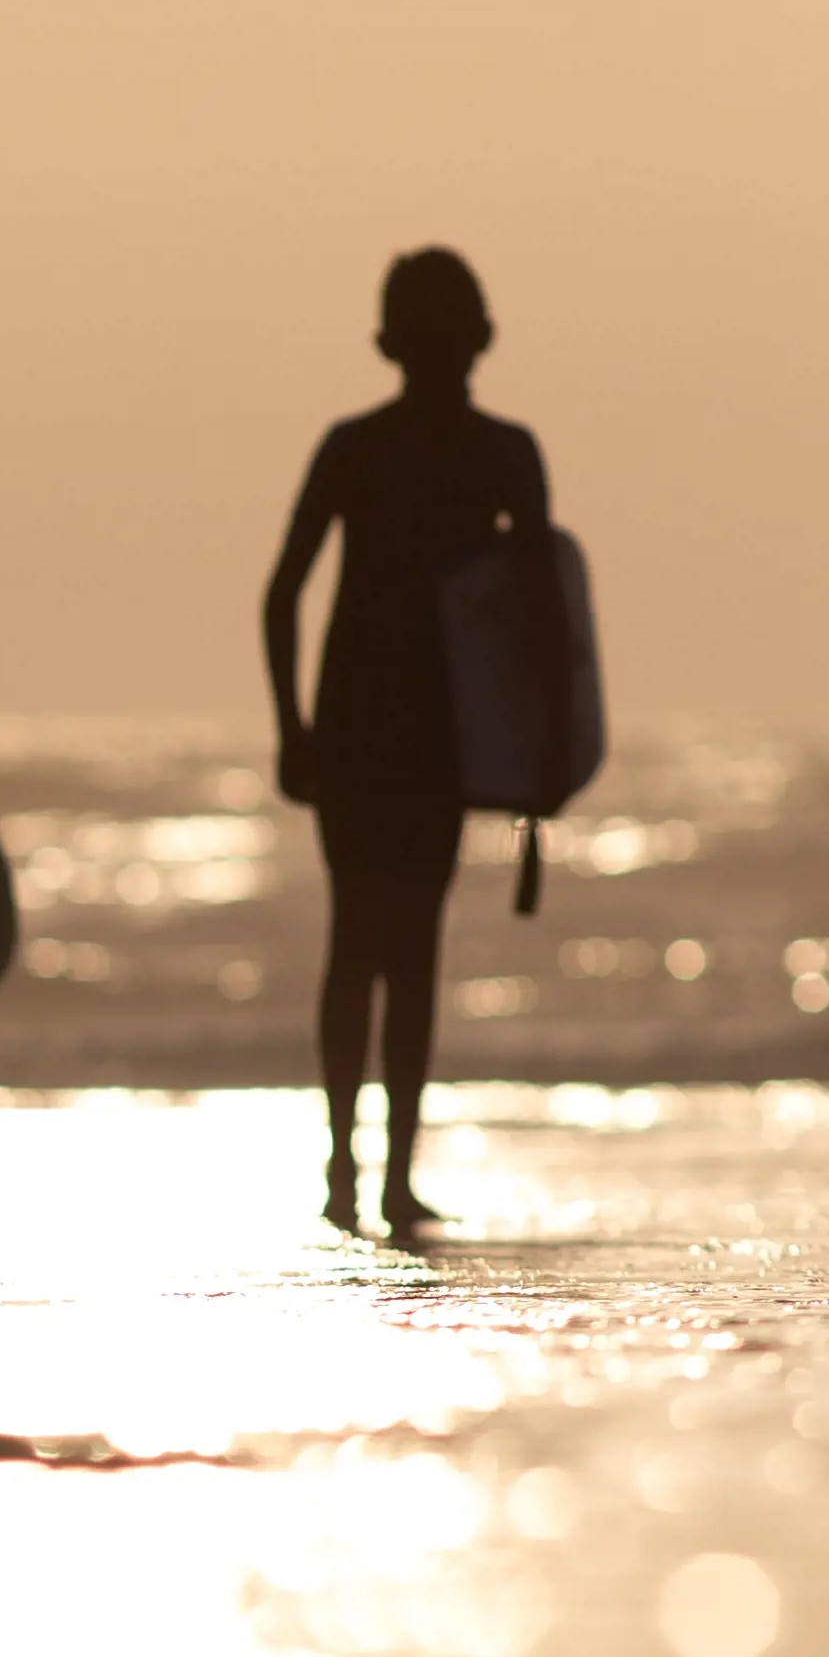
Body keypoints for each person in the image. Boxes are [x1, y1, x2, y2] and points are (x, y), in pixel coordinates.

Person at [263, 251, 564, 1241]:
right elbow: (544, 618)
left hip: (370, 723)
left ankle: (358, 1172)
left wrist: (292, 725)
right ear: (475, 338)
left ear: (389, 341)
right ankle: (375, 1176)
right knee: (401, 944)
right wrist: (547, 741)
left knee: (364, 941)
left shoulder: (359, 447)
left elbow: (280, 595)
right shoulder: (499, 454)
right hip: (422, 730)